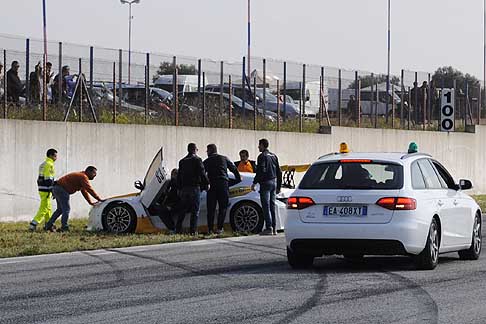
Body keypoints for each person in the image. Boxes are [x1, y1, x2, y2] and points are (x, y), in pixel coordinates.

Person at [45, 166, 104, 232]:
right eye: (94, 173)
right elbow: (89, 189)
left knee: (60, 209)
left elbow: (84, 191)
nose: (95, 175)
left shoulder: (82, 176)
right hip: (61, 189)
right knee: (66, 209)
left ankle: (49, 225)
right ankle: (64, 227)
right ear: (89, 171)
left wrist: (90, 202)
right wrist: (99, 199)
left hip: (57, 188)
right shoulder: (83, 177)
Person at [204, 144, 241, 234]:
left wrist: (205, 184)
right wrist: (238, 178)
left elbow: (202, 173)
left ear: (209, 151)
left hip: (212, 185)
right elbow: (234, 168)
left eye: (207, 151)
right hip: (223, 184)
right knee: (223, 207)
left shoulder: (207, 161)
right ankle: (219, 228)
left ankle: (210, 229)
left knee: (211, 209)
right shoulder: (224, 158)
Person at [251, 138, 282, 236]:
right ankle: (274, 228)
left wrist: (255, 182)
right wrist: (279, 186)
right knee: (272, 206)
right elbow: (279, 171)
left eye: (259, 145)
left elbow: (261, 170)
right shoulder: (273, 156)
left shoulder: (262, 156)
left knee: (266, 206)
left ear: (263, 145)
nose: (258, 147)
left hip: (266, 183)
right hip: (274, 182)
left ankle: (269, 228)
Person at [177, 143, 209, 235]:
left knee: (182, 210)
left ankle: (178, 229)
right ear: (195, 150)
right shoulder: (197, 160)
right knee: (195, 211)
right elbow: (202, 173)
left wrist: (179, 188)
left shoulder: (182, 161)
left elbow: (179, 176)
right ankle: (193, 231)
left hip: (184, 189)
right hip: (194, 188)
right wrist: (207, 183)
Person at [29, 149, 58, 232]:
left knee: (48, 208)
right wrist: (52, 190)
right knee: (44, 208)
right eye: (55, 156)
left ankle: (49, 224)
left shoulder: (43, 164)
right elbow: (48, 179)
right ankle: (33, 224)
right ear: (51, 156)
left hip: (42, 188)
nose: (56, 158)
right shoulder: (49, 165)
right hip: (46, 189)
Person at [149, 168, 182, 234]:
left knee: (161, 210)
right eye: (173, 174)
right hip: (171, 204)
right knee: (157, 207)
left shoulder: (177, 184)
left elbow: (177, 197)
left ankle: (172, 228)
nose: (173, 176)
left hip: (176, 205)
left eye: (174, 174)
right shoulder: (171, 183)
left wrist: (169, 206)